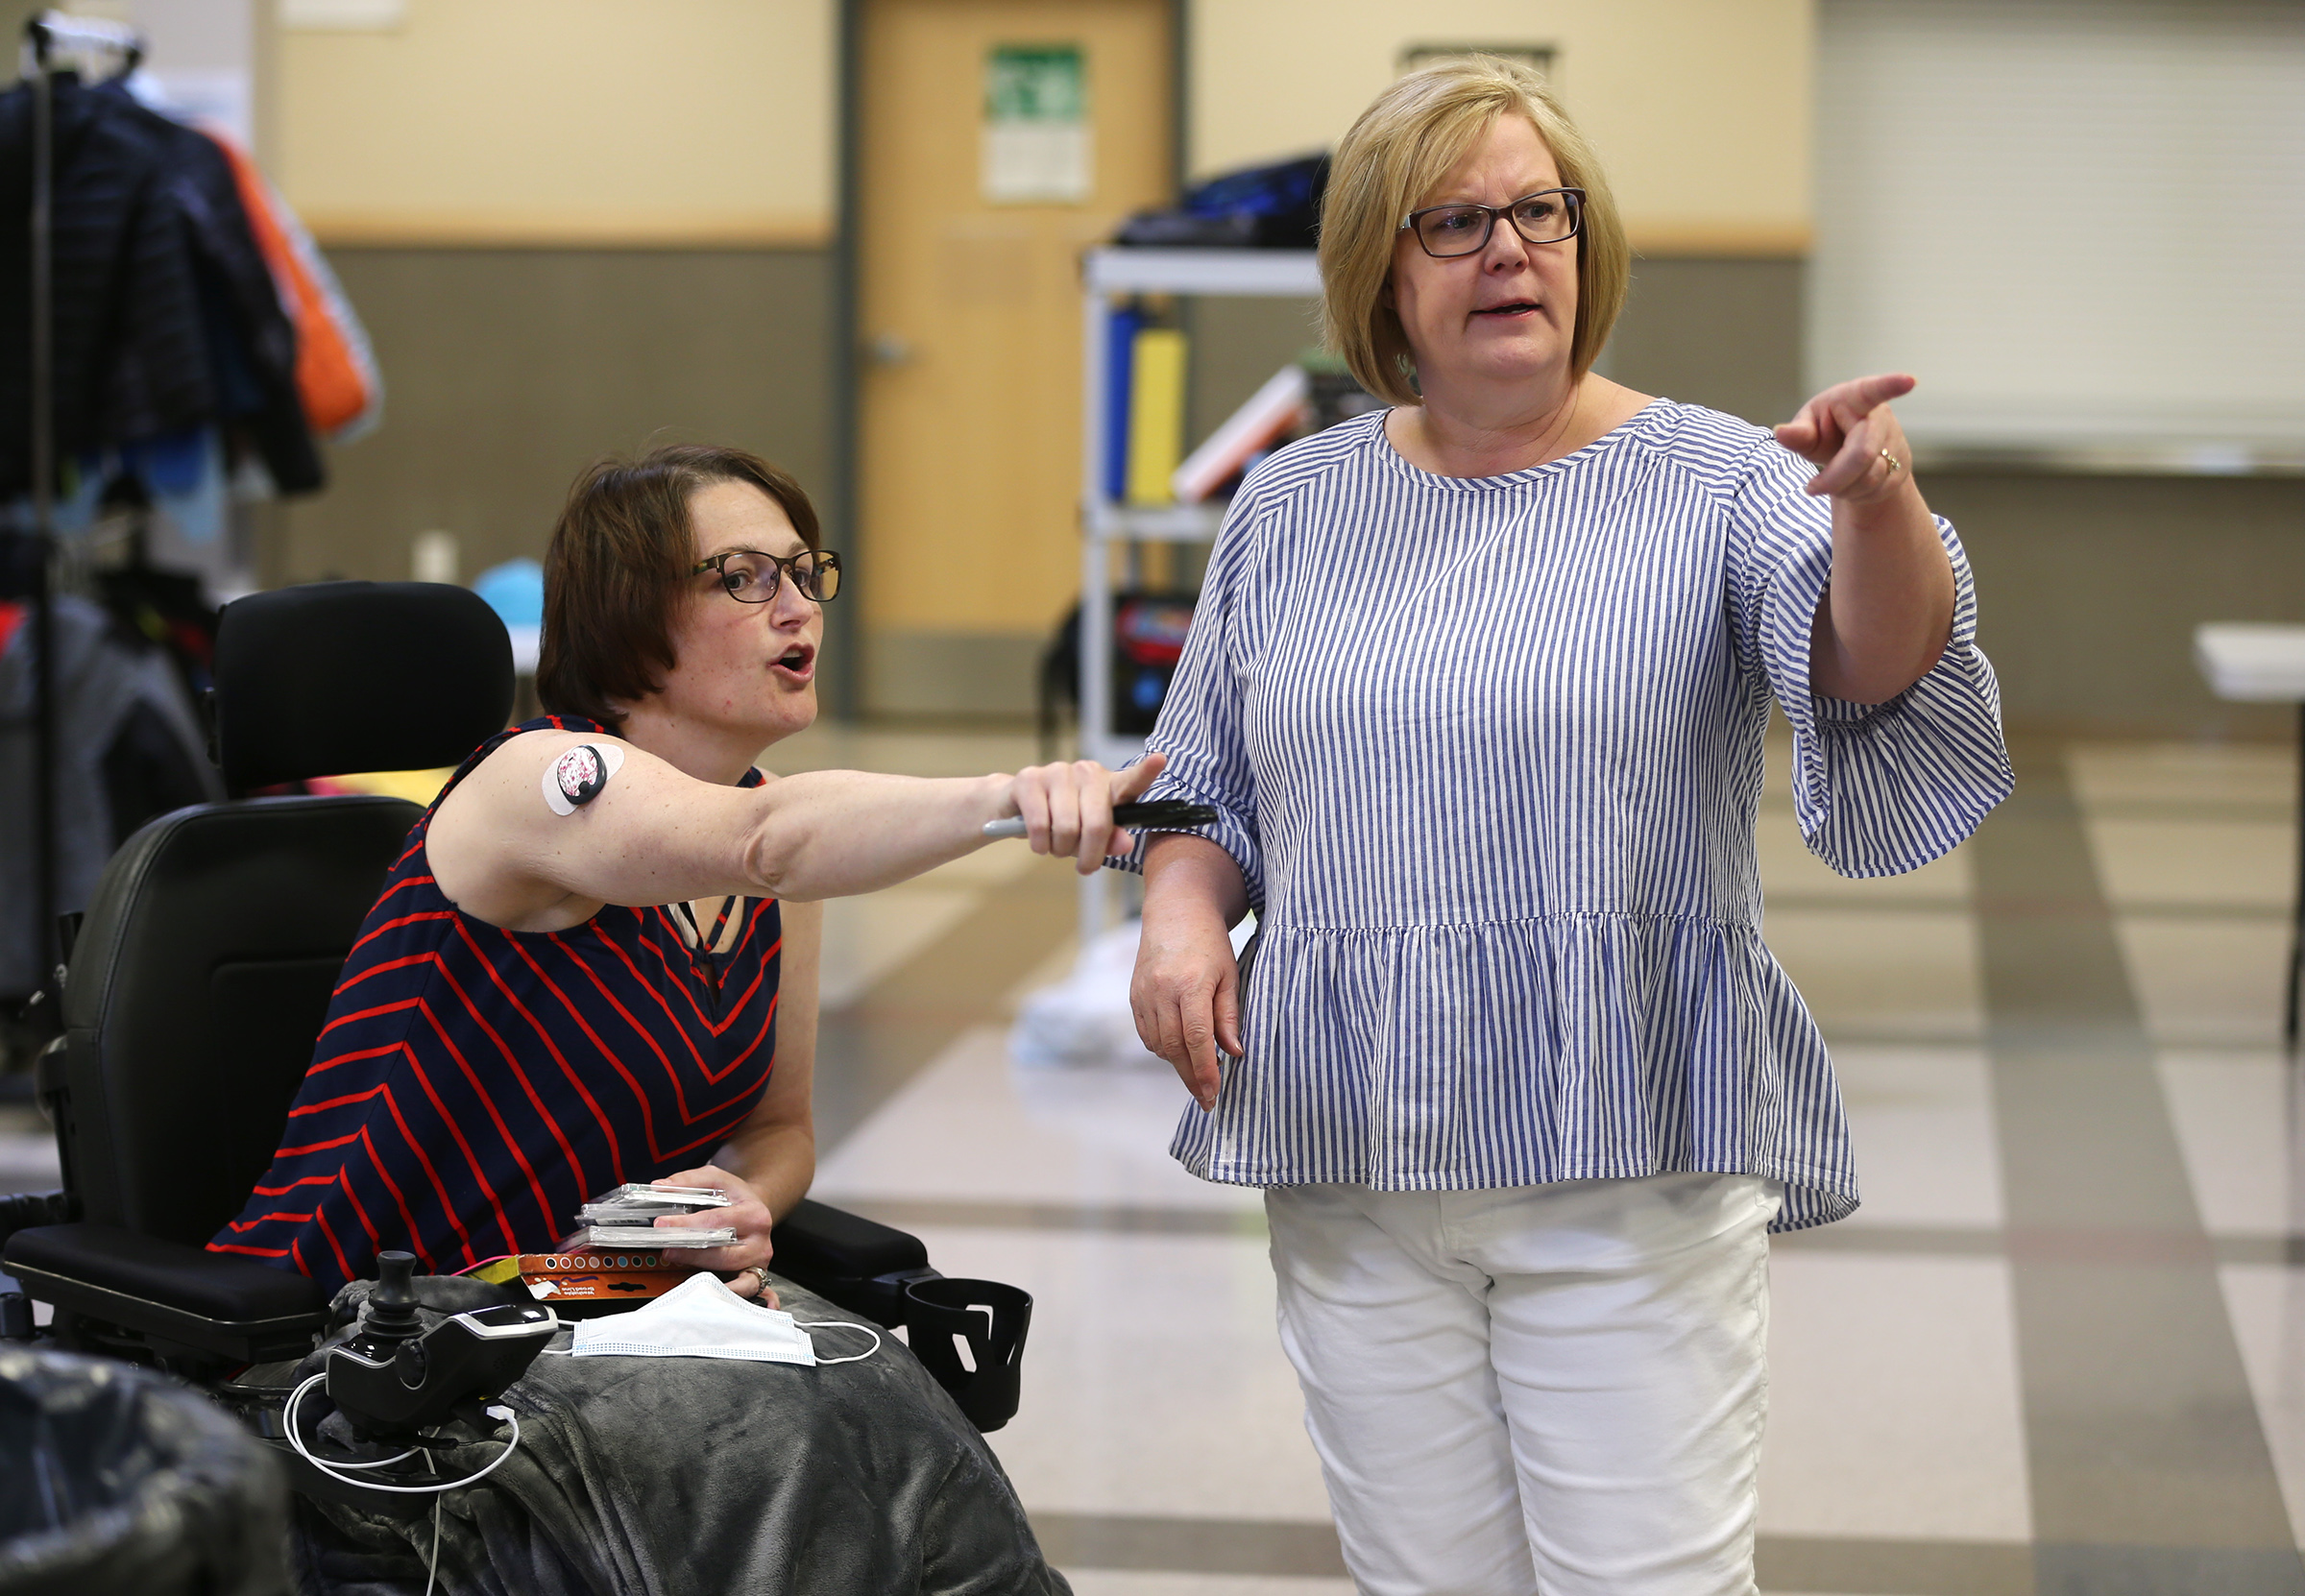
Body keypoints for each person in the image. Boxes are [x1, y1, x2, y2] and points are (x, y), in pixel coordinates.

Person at [1126, 58, 2013, 1596]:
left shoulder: (1722, 478)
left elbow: (1871, 670)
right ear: (1380, 276)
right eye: (1453, 221)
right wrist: (1182, 912)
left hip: (1628, 1143)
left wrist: (1877, 508)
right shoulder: (1290, 504)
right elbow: (1206, 770)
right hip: (1353, 1144)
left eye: (1541, 209)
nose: (1510, 249)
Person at [214, 443, 1152, 1298]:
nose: (797, 608)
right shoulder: (537, 780)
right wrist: (1016, 798)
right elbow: (766, 840)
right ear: (629, 613)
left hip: (564, 1305)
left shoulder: (769, 855)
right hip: (351, 1329)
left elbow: (779, 1131)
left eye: (803, 573)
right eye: (742, 579)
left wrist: (734, 1208)